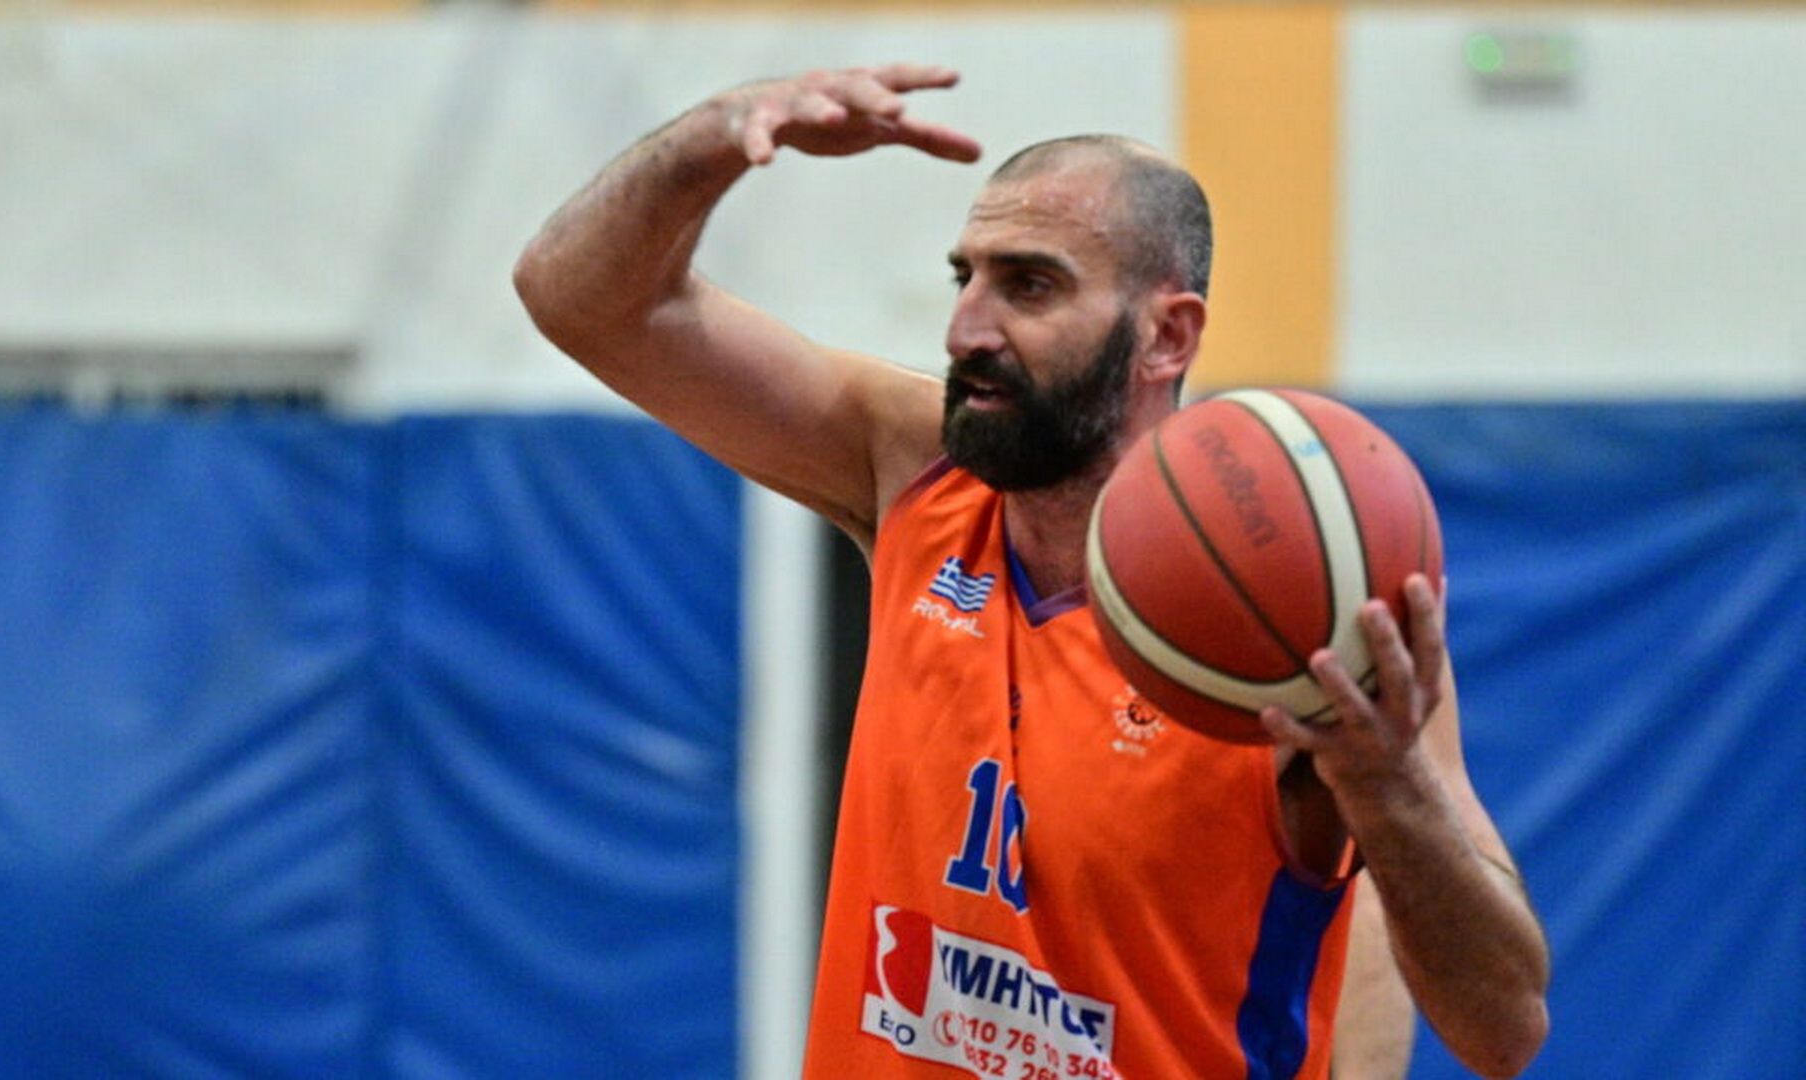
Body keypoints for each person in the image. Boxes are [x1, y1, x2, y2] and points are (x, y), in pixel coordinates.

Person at [514, 64, 1548, 1079]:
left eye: (1030, 286)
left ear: (1166, 334)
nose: (968, 329)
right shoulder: (913, 469)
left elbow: (1501, 1030)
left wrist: (1389, 790)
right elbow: (579, 298)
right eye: (964, 278)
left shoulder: (1294, 614)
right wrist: (715, 137)